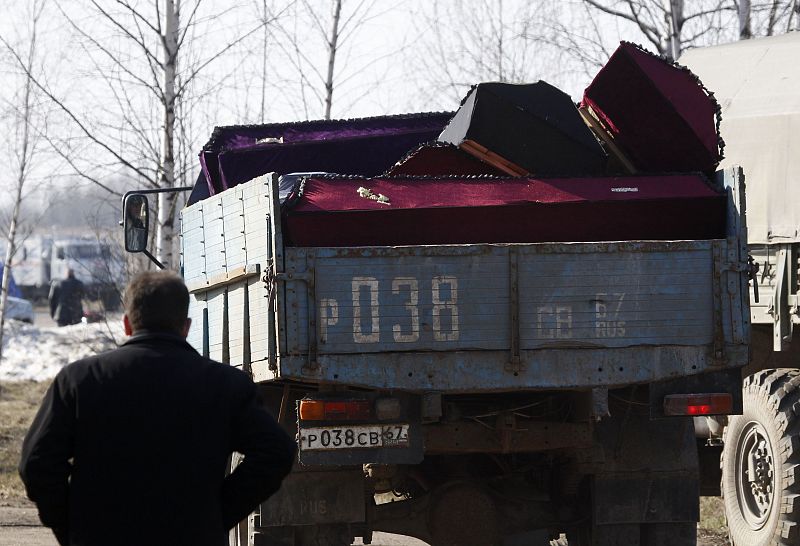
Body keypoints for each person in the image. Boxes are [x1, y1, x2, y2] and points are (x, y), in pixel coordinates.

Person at [20, 271, 296, 546]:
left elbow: (37, 464)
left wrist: (71, 528)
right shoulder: (226, 385)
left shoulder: (79, 380)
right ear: (186, 327)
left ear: (127, 324)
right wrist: (216, 516)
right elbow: (277, 452)